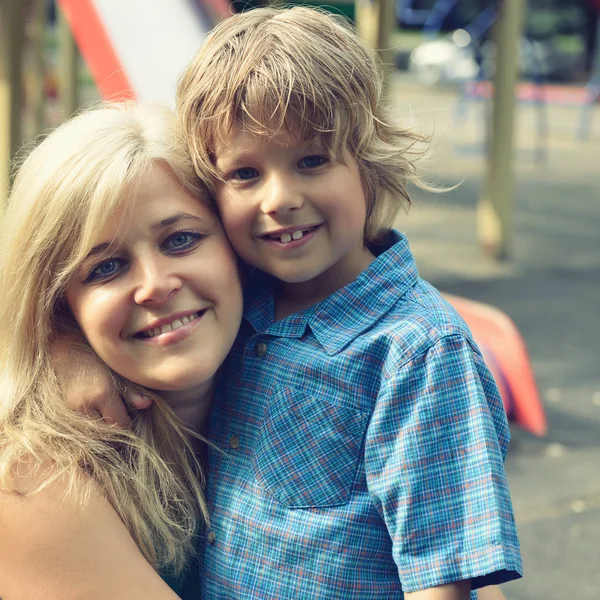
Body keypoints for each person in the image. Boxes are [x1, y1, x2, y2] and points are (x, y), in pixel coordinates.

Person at [65, 7, 523, 599]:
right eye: (245, 173)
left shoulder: (417, 353)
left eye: (311, 161)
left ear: (369, 161)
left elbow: (441, 576)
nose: (279, 198)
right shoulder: (239, 299)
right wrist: (68, 353)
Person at [0, 102, 243, 599]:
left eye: (181, 239)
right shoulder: (34, 480)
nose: (155, 286)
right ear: (59, 310)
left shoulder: (314, 376)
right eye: (105, 268)